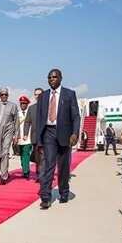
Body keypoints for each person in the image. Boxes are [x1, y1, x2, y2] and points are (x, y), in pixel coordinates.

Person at [35, 69, 80, 209]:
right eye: (49, 77)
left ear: (60, 78)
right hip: (48, 133)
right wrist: (38, 139)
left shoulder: (69, 94)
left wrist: (75, 133)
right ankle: (46, 197)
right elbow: (39, 117)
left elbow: (76, 116)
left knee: (64, 166)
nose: (51, 79)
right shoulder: (43, 96)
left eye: (54, 77)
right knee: (48, 165)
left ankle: (64, 191)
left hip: (65, 134)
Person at [0, 88, 18, 185]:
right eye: (2, 95)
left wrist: (16, 135)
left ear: (8, 95)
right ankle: (2, 169)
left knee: (5, 152)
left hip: (8, 130)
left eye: (5, 94)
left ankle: (3, 176)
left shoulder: (13, 106)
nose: (4, 96)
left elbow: (16, 121)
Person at [24, 88, 44, 181]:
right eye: (36, 94)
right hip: (35, 137)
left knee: (44, 156)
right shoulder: (31, 108)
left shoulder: (48, 107)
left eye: (39, 94)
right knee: (37, 157)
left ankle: (43, 175)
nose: (38, 96)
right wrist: (25, 133)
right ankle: (39, 173)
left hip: (46, 136)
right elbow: (27, 122)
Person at [15, 95, 33, 179]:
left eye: (24, 103)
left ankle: (26, 171)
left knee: (26, 153)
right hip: (19, 138)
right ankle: (24, 169)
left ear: (27, 104)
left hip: (28, 137)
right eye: (21, 103)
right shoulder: (17, 114)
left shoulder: (30, 112)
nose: (22, 105)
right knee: (22, 155)